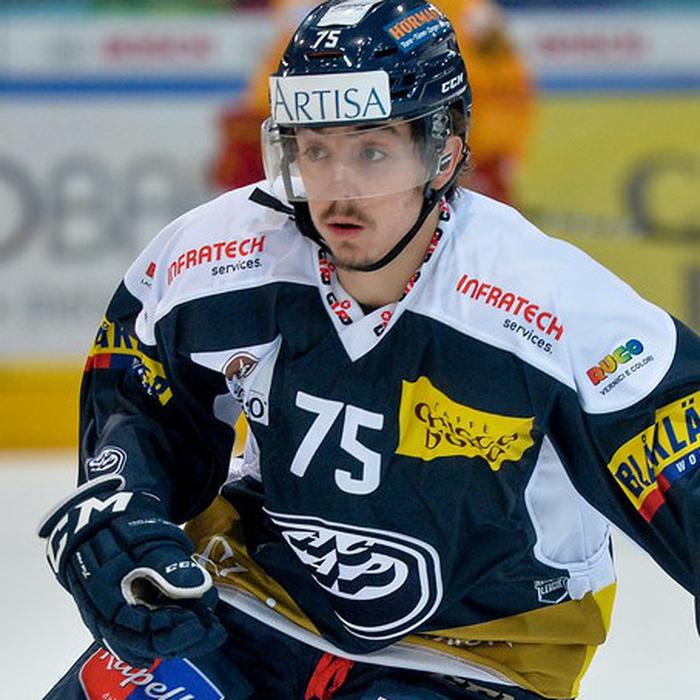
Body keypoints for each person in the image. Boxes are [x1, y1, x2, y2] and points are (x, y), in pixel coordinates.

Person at [39, 1, 699, 699]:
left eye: (372, 151)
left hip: (480, 652)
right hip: (250, 603)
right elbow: (140, 396)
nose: (339, 190)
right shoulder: (216, 255)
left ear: (444, 153)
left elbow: (681, 462)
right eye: (315, 149)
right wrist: (128, 510)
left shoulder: (553, 306)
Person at [210, 0, 532, 205]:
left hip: (432, 160)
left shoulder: (471, 16)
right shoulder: (311, 13)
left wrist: (495, 156)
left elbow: (506, 91)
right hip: (295, 139)